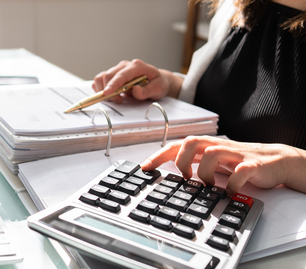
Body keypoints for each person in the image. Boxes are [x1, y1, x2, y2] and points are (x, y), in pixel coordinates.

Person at [92, 0, 306, 195]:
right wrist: (168, 83)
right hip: (204, 192)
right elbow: (222, 98)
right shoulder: (235, 6)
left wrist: (289, 163)